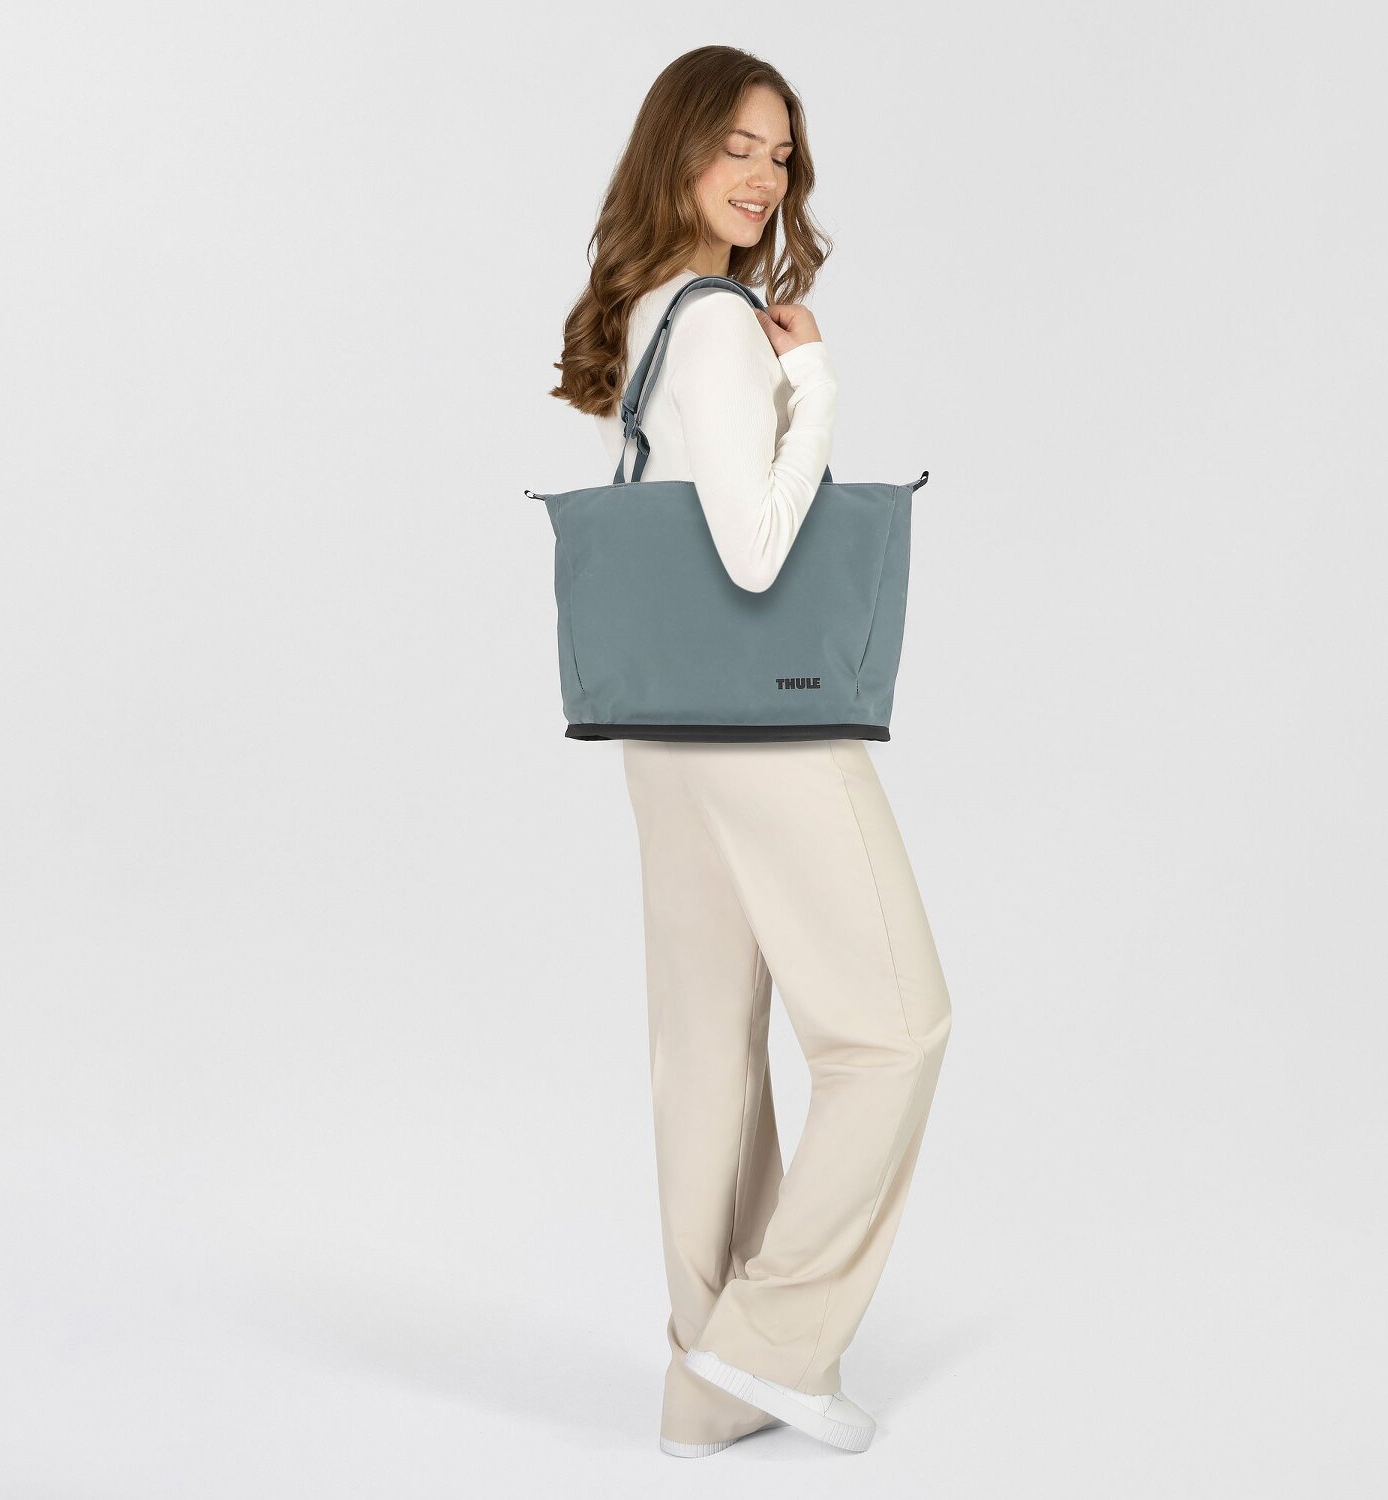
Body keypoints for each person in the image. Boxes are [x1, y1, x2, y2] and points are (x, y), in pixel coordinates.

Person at [549, 45, 953, 1458]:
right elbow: (758, 549)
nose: (763, 176)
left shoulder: (649, 313)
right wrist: (817, 387)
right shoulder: (718, 325)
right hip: (762, 726)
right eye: (735, 144)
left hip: (665, 734)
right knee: (897, 1027)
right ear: (674, 149)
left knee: (706, 1052)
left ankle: (707, 1387)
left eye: (779, 154)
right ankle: (769, 1342)